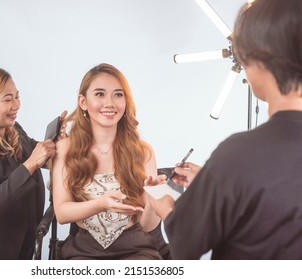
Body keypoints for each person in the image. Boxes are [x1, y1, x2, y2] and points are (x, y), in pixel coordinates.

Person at [149, 0, 302, 259]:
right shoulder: (235, 163)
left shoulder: (238, 155)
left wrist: (167, 209)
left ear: (258, 59)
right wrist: (212, 184)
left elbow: (187, 243)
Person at [52, 63, 168, 259]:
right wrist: (101, 204)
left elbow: (148, 225)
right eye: (99, 94)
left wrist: (154, 199)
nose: (110, 103)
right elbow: (62, 213)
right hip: (84, 249)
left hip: (136, 247)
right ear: (83, 101)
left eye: (118, 94)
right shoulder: (65, 148)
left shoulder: (143, 151)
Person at [0, 66, 65, 259]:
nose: (17, 105)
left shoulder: (15, 131)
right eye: (8, 99)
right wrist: (32, 163)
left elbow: (44, 157)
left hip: (22, 246)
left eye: (17, 96)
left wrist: (58, 142)